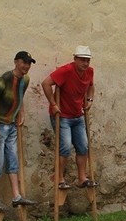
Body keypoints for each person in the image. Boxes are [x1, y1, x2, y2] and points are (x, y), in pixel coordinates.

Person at [0, 51, 38, 212]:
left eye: (28, 64)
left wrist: (21, 112)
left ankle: (16, 196)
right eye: (23, 63)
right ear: (16, 62)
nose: (26, 67)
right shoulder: (5, 79)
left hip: (12, 124)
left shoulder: (25, 80)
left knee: (13, 159)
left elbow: (19, 97)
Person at [41, 45, 98, 189]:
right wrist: (53, 104)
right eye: (82, 60)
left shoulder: (89, 71)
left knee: (83, 146)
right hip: (62, 115)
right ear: (75, 59)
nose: (85, 63)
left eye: (87, 60)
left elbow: (91, 86)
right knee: (65, 147)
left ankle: (82, 178)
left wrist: (90, 100)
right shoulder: (66, 70)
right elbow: (46, 83)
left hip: (77, 115)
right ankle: (59, 179)